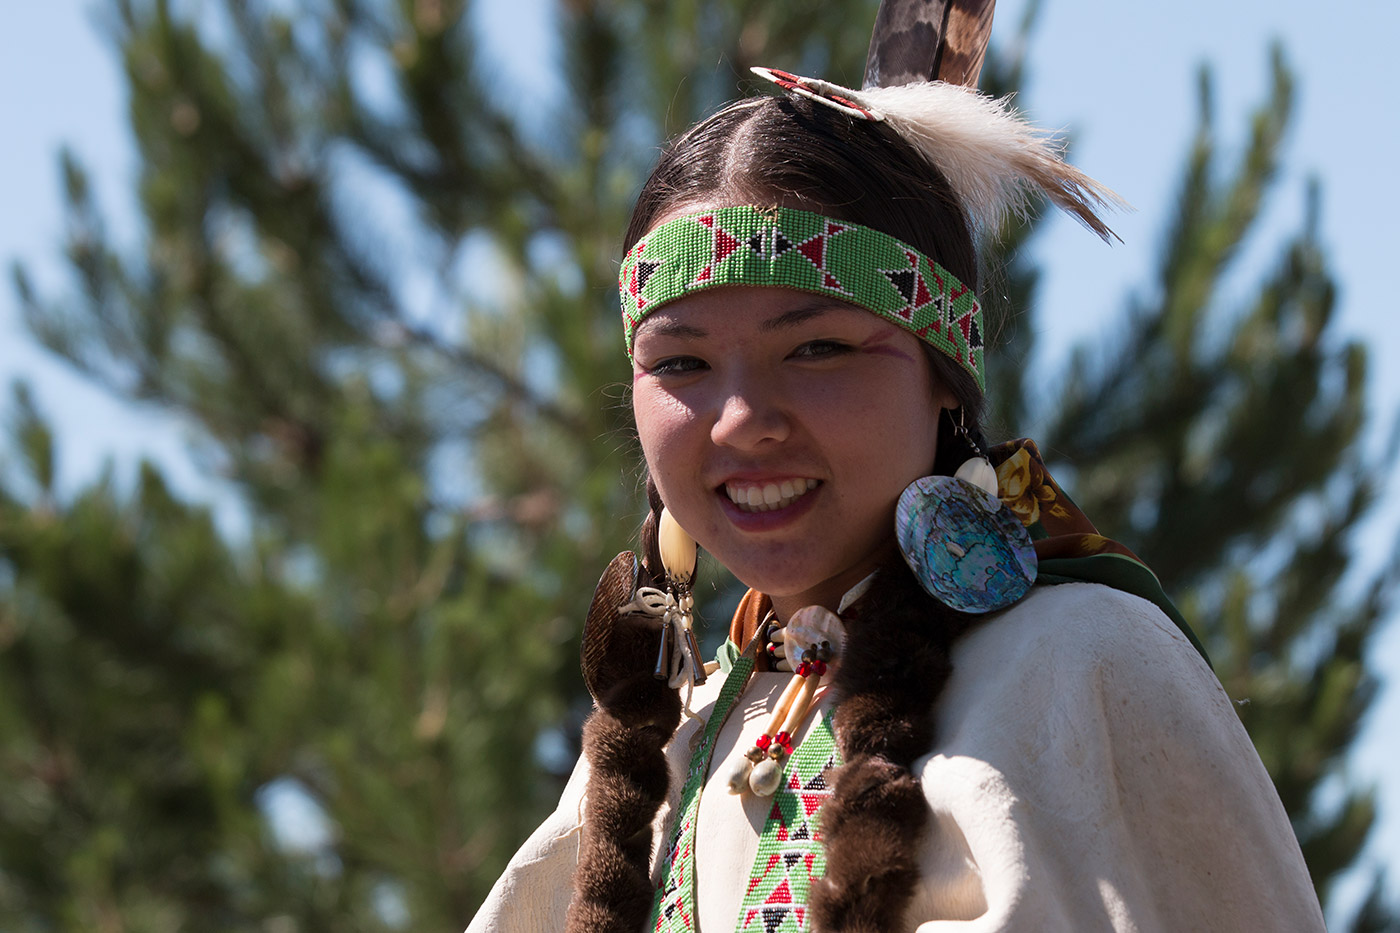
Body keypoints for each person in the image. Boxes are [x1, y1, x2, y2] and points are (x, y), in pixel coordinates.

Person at [466, 52, 1325, 933]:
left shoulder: (1087, 664)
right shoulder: (666, 742)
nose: (742, 421)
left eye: (818, 349)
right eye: (681, 363)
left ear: (945, 377)